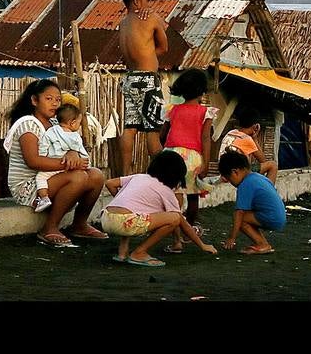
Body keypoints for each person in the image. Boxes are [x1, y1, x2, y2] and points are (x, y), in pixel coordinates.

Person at [4, 78, 107, 247]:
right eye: (48, 99)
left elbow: (70, 142)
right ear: (34, 100)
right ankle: (49, 228)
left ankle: (79, 224)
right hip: (29, 185)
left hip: (51, 175)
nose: (54, 103)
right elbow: (33, 161)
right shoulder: (28, 124)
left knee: (96, 175)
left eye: (58, 99)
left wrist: (73, 153)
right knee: (78, 177)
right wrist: (69, 164)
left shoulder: (55, 124)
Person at [101, 150, 217, 267]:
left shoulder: (139, 176)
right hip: (126, 222)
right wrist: (202, 245)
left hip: (106, 218)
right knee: (174, 218)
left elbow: (110, 183)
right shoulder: (165, 190)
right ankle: (139, 253)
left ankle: (122, 253)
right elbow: (180, 220)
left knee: (130, 213)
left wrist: (123, 202)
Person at [162, 68, 218, 253]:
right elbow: (205, 138)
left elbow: (164, 134)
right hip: (193, 157)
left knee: (174, 199)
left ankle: (176, 241)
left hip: (171, 155)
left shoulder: (172, 110)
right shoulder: (206, 112)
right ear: (202, 90)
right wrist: (206, 161)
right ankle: (189, 230)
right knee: (193, 197)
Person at [118, 0, 167, 177]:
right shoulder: (152, 18)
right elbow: (164, 48)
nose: (149, 4)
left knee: (129, 128)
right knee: (152, 129)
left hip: (130, 79)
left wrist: (144, 54)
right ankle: (161, 175)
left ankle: (125, 173)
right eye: (147, 0)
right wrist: (149, 57)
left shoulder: (123, 23)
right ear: (137, 1)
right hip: (147, 79)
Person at [218, 149, 286, 254]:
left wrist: (232, 238)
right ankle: (262, 243)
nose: (231, 183)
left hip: (272, 218)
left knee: (241, 219)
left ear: (235, 172)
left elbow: (239, 213)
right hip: (279, 216)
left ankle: (262, 244)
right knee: (244, 216)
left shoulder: (245, 184)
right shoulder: (258, 177)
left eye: (230, 179)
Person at [31, 102, 90, 213]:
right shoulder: (76, 137)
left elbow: (43, 147)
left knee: (40, 178)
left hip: (53, 167)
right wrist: (84, 163)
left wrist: (43, 158)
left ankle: (44, 198)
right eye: (79, 123)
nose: (80, 126)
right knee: (79, 180)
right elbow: (82, 153)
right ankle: (72, 200)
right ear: (72, 123)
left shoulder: (51, 131)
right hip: (70, 168)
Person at [219, 106, 278, 181]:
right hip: (238, 174)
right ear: (255, 126)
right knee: (272, 165)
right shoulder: (246, 138)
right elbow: (263, 160)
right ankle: (268, 191)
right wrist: (255, 138)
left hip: (224, 173)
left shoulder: (231, 133)